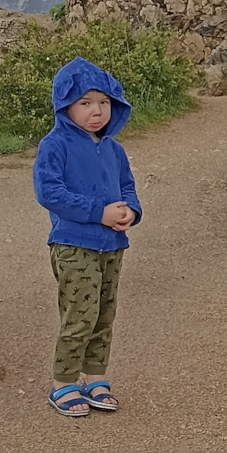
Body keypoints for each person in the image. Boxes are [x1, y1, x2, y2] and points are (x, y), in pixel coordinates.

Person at [34, 57, 142, 417]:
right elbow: (50, 193)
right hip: (73, 242)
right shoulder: (55, 145)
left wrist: (130, 211)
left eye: (104, 102)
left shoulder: (114, 148)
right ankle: (63, 381)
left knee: (104, 313)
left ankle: (95, 376)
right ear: (65, 105)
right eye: (85, 103)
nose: (97, 111)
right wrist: (100, 212)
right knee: (80, 312)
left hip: (112, 244)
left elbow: (126, 186)